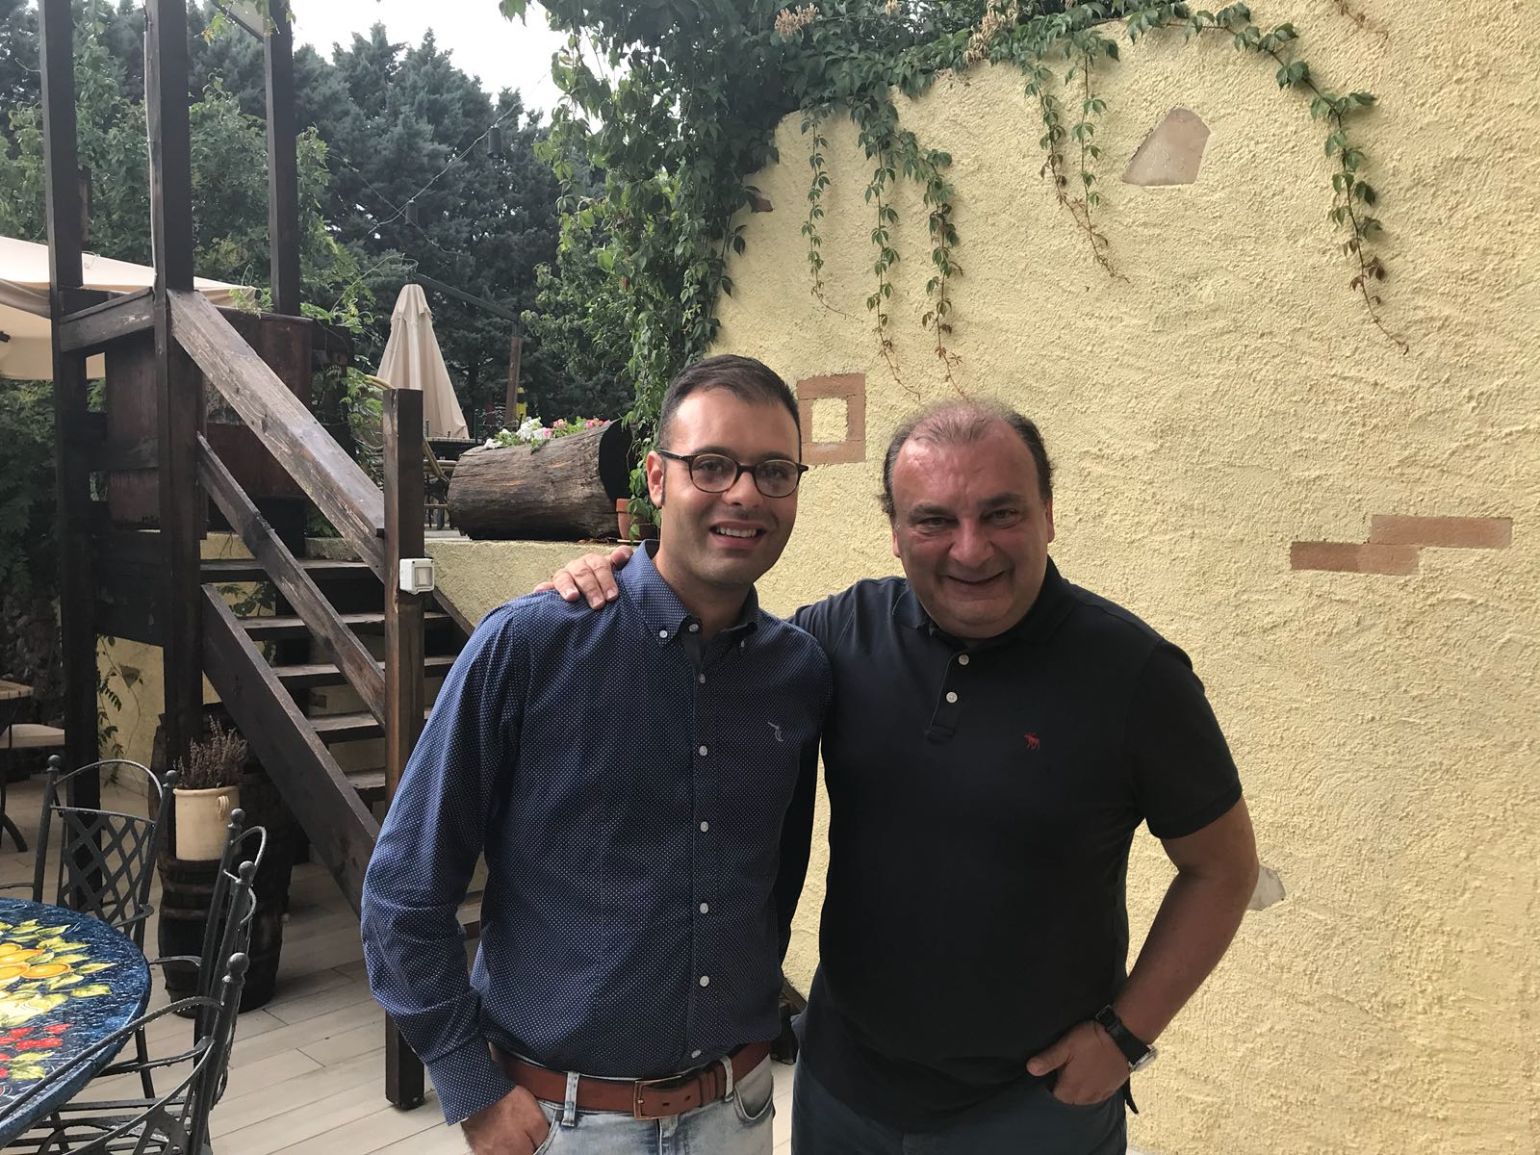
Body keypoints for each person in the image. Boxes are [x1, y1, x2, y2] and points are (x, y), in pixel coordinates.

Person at [546, 398, 1260, 1155]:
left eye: (1001, 513)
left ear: (1049, 515)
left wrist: (1124, 1036)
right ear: (894, 532)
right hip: (843, 1095)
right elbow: (711, 652)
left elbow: (1222, 868)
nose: (970, 549)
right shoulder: (839, 636)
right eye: (933, 521)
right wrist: (617, 583)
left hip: (1034, 1108)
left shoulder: (1134, 674)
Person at [361, 354, 831, 1155]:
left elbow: (775, 880)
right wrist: (472, 1087)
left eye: (774, 471)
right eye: (712, 464)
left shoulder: (799, 671)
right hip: (567, 1126)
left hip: (739, 1113)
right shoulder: (530, 644)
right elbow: (403, 892)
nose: (744, 493)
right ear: (656, 478)